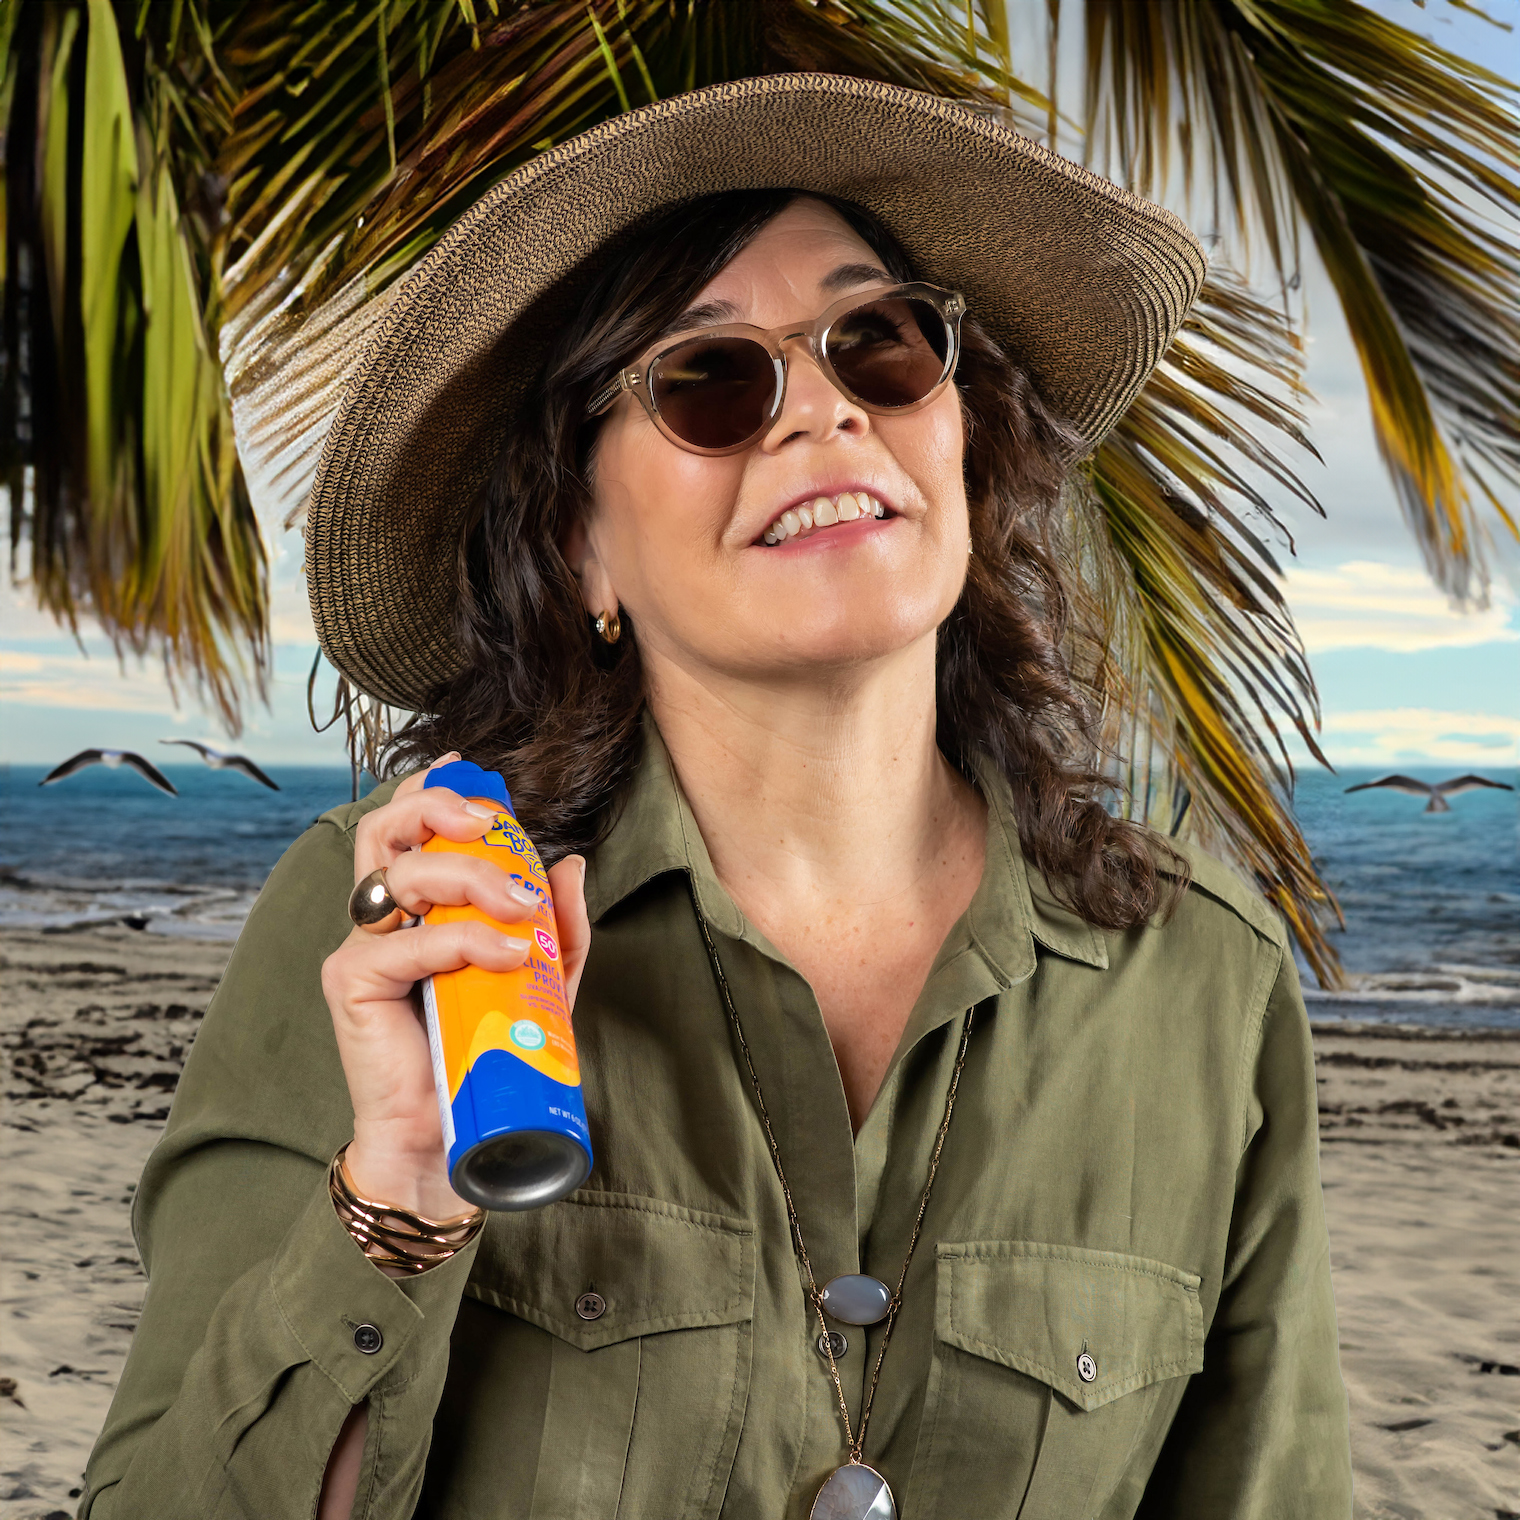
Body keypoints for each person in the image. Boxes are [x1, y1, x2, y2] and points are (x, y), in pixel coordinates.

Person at [81, 74, 1352, 1520]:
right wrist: (395, 1209)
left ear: (960, 438)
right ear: (581, 549)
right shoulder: (407, 936)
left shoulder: (1202, 978)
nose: (819, 410)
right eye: (709, 379)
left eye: (876, 345)